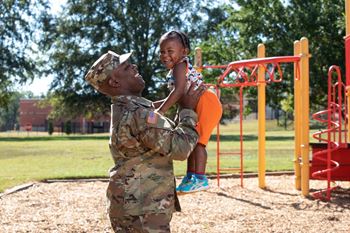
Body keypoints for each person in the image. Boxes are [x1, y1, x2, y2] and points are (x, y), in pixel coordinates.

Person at [85, 50, 205, 232]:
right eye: (126, 67)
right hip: (142, 210)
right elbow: (180, 148)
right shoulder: (138, 114)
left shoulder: (127, 109)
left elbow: (155, 116)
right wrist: (188, 110)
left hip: (134, 205)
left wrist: (177, 97)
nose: (134, 66)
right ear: (115, 82)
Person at [154, 30, 222, 193]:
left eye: (170, 51)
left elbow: (177, 93)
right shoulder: (176, 69)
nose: (165, 55)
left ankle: (200, 178)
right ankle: (191, 176)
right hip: (200, 103)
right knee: (192, 141)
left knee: (199, 142)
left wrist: (160, 111)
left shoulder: (180, 65)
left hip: (207, 103)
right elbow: (177, 95)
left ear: (184, 52)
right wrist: (152, 105)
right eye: (162, 51)